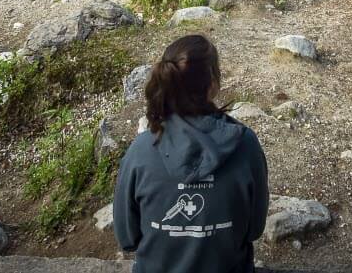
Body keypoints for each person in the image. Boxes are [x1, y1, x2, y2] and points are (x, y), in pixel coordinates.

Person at [113, 35, 269, 273]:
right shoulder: (245, 146)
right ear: (213, 84)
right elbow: (254, 229)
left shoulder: (140, 151)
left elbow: (127, 238)